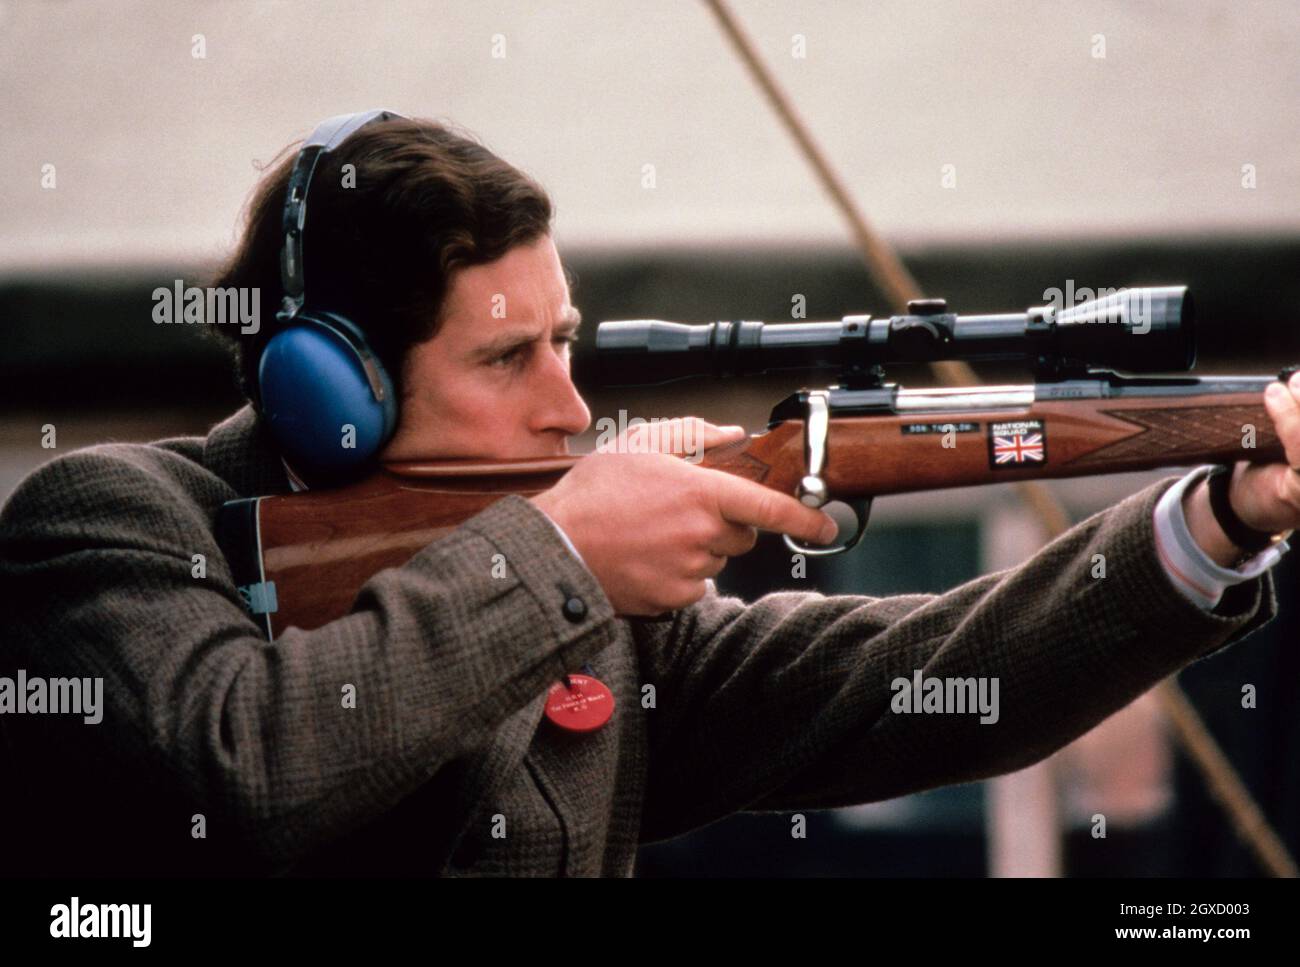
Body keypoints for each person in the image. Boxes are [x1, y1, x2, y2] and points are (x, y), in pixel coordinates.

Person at [1, 113, 1297, 877]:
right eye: (511, 357)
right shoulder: (111, 523)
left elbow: (919, 686)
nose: (570, 407)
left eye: (567, 342)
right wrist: (559, 549)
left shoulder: (584, 605)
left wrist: (1213, 522)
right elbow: (244, 775)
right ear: (327, 393)